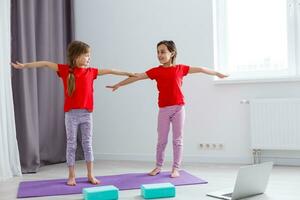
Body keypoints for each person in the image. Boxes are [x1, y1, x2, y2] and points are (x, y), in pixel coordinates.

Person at [11, 40, 136, 186]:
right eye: (86, 55)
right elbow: (45, 63)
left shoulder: (92, 72)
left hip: (87, 114)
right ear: (76, 56)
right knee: (71, 145)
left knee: (87, 144)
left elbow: (111, 70)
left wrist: (128, 73)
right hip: (71, 115)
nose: (89, 58)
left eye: (89, 56)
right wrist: (25, 66)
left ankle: (90, 174)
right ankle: (71, 176)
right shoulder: (65, 70)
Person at [106, 40, 228, 178]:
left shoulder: (180, 69)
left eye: (163, 51)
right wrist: (119, 84)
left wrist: (217, 73)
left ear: (172, 53)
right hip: (164, 109)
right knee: (161, 140)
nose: (159, 55)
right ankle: (158, 167)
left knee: (177, 140)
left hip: (179, 108)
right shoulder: (156, 71)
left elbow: (200, 69)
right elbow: (137, 76)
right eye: (158, 52)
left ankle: (175, 168)